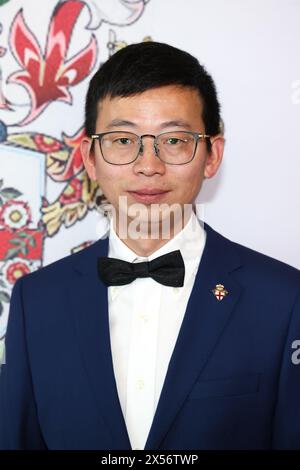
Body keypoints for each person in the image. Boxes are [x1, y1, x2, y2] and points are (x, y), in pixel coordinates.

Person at [0, 41, 299, 451]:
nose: (148, 165)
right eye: (123, 140)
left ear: (212, 155)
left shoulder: (283, 299)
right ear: (90, 157)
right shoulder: (37, 301)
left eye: (174, 140)